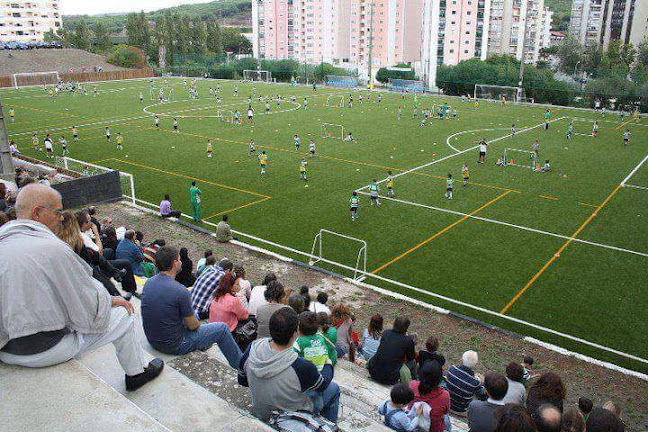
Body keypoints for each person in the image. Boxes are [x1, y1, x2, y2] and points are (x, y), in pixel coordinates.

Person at [0, 184, 164, 391]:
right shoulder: (52, 249)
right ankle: (137, 373)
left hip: (6, 348)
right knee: (124, 313)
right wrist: (109, 300)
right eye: (58, 212)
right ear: (38, 213)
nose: (61, 218)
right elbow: (89, 307)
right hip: (40, 350)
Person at [238, 307, 340, 423]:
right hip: (290, 418)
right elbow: (323, 384)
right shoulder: (301, 367)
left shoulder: (252, 348)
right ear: (295, 333)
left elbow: (242, 380)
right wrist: (328, 363)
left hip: (260, 412)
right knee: (334, 388)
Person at [294, 311, 332, 412]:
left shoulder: (299, 342)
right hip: (318, 379)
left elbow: (290, 358)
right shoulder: (321, 339)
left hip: (304, 387)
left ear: (298, 328)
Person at [368, 316, 416, 386]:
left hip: (373, 371)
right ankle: (414, 384)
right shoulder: (408, 340)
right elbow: (411, 358)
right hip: (390, 378)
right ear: (406, 328)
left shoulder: (386, 333)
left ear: (394, 324)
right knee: (413, 362)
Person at [409, 360, 450, 432]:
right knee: (446, 416)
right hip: (433, 429)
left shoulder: (412, 385)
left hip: (412, 426)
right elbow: (446, 412)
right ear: (440, 379)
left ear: (421, 374)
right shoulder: (445, 396)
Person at [445, 350, 487, 415]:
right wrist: (483, 382)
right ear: (475, 365)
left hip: (447, 404)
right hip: (461, 411)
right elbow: (483, 396)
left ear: (462, 360)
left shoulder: (451, 369)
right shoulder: (475, 383)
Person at [209, 273, 249, 339]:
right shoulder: (233, 300)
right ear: (230, 286)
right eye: (237, 284)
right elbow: (244, 316)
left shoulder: (216, 296)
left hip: (213, 328)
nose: (239, 286)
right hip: (227, 331)